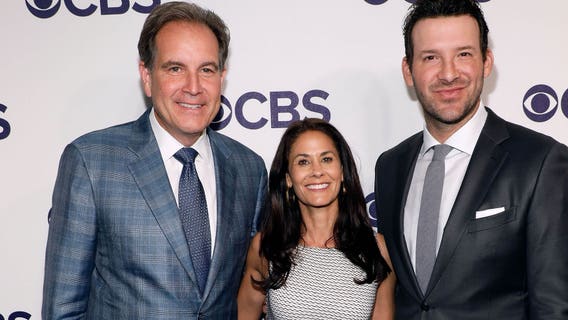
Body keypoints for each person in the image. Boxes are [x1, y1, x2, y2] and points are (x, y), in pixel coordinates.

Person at [42, 2, 267, 319]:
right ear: (146, 76)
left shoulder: (249, 169)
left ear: (222, 77)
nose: (193, 87)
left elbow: (254, 292)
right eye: (175, 68)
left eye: (206, 69)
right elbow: (63, 309)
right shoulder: (92, 161)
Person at [374, 0, 568, 319]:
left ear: (486, 62)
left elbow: (558, 308)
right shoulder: (390, 166)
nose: (448, 74)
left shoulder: (540, 162)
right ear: (409, 69)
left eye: (464, 54)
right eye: (431, 57)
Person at [237, 118, 396, 319]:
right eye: (303, 162)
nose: (317, 171)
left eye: (326, 159)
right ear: (288, 178)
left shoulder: (376, 248)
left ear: (343, 172)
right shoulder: (266, 246)